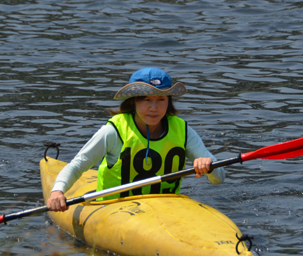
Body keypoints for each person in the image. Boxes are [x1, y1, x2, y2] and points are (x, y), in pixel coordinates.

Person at [47, 67, 224, 212]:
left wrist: (209, 168)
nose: (154, 108)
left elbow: (219, 179)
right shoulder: (113, 131)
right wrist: (57, 191)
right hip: (114, 209)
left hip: (166, 209)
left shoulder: (183, 131)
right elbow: (77, 166)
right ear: (133, 102)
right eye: (146, 99)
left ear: (168, 101)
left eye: (161, 99)